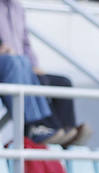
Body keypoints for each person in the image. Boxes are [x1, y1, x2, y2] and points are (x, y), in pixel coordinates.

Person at [0, 0, 91, 145]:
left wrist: (34, 65)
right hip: (9, 67)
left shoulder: (17, 8)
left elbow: (25, 44)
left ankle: (65, 131)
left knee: (62, 82)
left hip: (20, 68)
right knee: (17, 63)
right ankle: (38, 127)